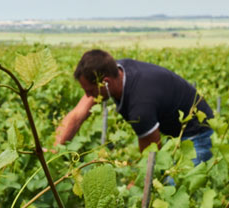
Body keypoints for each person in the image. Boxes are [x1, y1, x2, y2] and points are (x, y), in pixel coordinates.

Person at [54, 49, 214, 164]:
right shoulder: (114, 71)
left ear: (106, 82)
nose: (88, 96)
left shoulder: (140, 106)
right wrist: (53, 153)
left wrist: (132, 187)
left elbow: (150, 157)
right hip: (175, 132)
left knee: (170, 185)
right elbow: (77, 116)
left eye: (89, 91)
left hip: (198, 134)